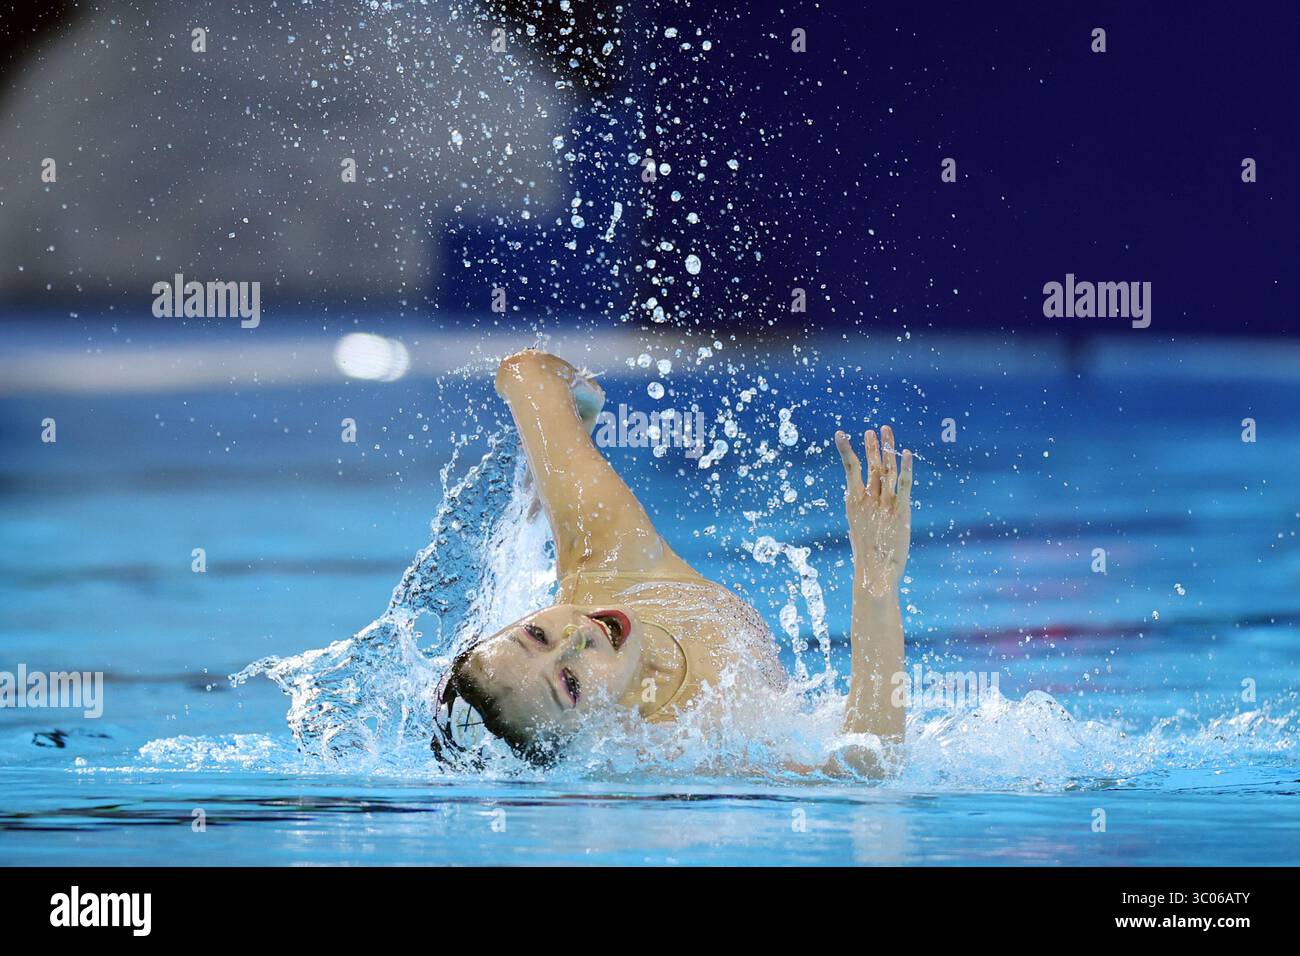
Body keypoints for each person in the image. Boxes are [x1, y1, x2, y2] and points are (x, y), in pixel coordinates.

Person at [433, 349, 913, 775]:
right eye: (571, 683)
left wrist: (574, 417)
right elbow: (866, 765)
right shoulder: (685, 746)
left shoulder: (611, 563)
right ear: (588, 737)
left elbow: (525, 373)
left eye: (537, 634)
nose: (576, 638)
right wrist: (875, 582)